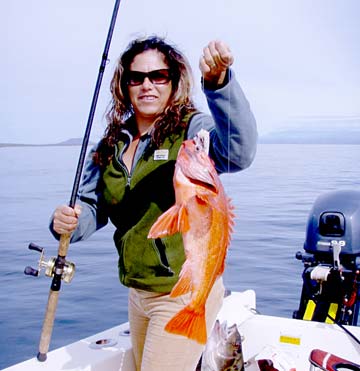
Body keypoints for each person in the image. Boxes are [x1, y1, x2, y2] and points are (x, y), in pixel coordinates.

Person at [50, 35, 257, 371]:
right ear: (124, 86)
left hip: (184, 292)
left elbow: (238, 152)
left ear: (174, 82)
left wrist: (219, 85)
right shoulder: (111, 145)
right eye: (137, 77)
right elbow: (93, 206)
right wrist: (71, 222)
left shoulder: (192, 130)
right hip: (138, 292)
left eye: (159, 76)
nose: (147, 85)